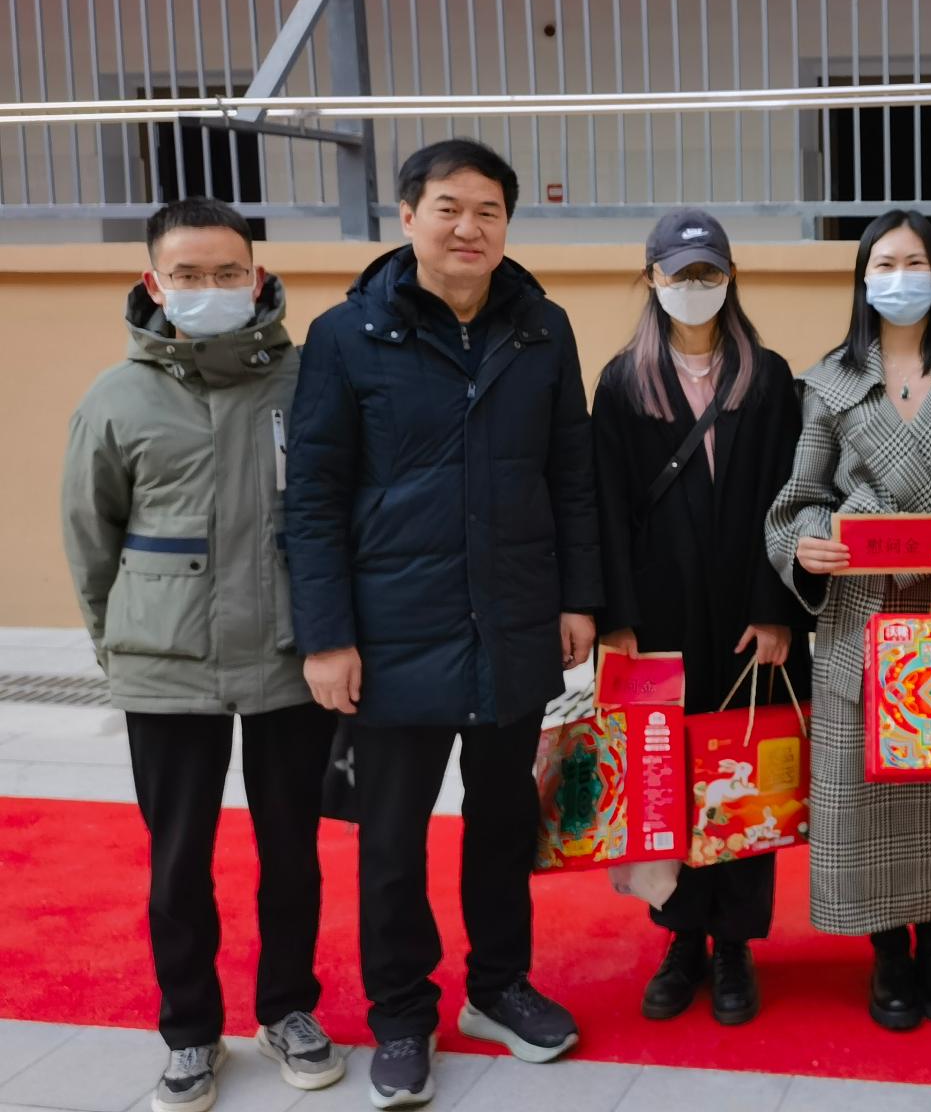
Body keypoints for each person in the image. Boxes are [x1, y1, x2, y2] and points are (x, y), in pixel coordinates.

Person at [284, 140, 600, 1109]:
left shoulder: (542, 328)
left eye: (489, 211)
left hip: (512, 621)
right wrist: (326, 635)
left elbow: (572, 475)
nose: (470, 228)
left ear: (508, 224)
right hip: (392, 631)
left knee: (504, 822)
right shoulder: (346, 335)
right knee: (393, 839)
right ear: (409, 216)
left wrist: (578, 598)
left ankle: (499, 987)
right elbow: (313, 495)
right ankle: (401, 1015)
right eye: (450, 208)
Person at [60, 196, 345, 1112]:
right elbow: (90, 536)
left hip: (289, 656)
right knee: (177, 859)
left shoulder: (308, 383)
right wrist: (122, 645)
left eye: (228, 272)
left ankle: (288, 1009)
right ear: (153, 282)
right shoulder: (116, 397)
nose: (210, 288)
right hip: (166, 665)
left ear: (257, 278)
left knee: (291, 850)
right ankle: (189, 1030)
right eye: (188, 274)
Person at [765, 208, 931, 1031]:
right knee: (869, 798)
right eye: (883, 263)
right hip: (862, 619)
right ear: (862, 278)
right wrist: (811, 545)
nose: (899, 277)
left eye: (914, 262)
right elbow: (798, 501)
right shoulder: (826, 384)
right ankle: (887, 954)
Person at [593, 208, 812, 1026]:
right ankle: (681, 937)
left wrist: (776, 611)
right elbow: (605, 506)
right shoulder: (623, 383)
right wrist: (617, 619)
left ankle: (735, 947)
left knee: (741, 771)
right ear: (651, 278)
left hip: (748, 617)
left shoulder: (768, 378)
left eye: (707, 272)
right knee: (669, 777)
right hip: (659, 619)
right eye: (679, 273)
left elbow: (789, 501)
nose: (694, 287)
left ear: (730, 277)